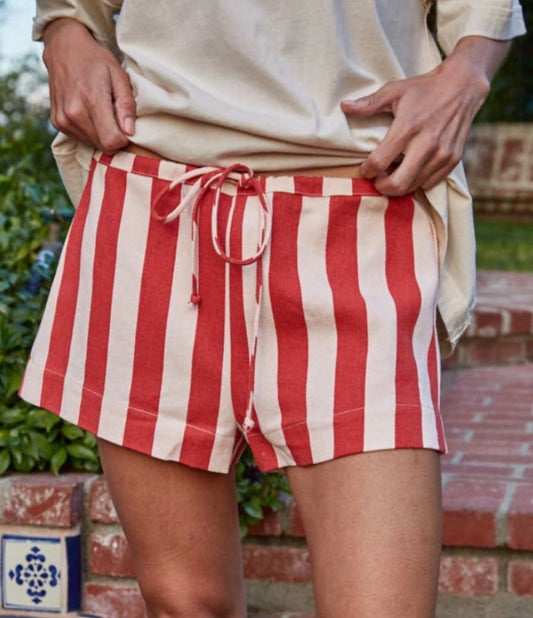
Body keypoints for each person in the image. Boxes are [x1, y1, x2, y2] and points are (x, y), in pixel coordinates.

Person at [20, 1, 525, 616]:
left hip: (358, 218)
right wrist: (64, 32)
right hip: (156, 210)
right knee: (184, 604)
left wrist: (466, 76)